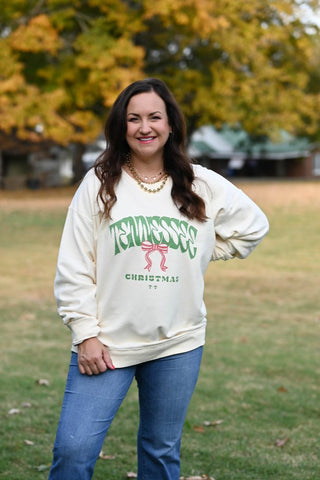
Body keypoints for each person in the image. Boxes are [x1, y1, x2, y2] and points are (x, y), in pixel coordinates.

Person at [48, 78, 269, 480]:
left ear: (171, 125)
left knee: (161, 452)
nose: (144, 127)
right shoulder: (99, 183)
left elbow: (253, 227)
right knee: (74, 450)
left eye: (154, 117)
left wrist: (201, 252)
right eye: (134, 118)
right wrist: (85, 333)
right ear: (121, 126)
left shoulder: (201, 183)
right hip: (107, 346)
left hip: (178, 344)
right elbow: (75, 264)